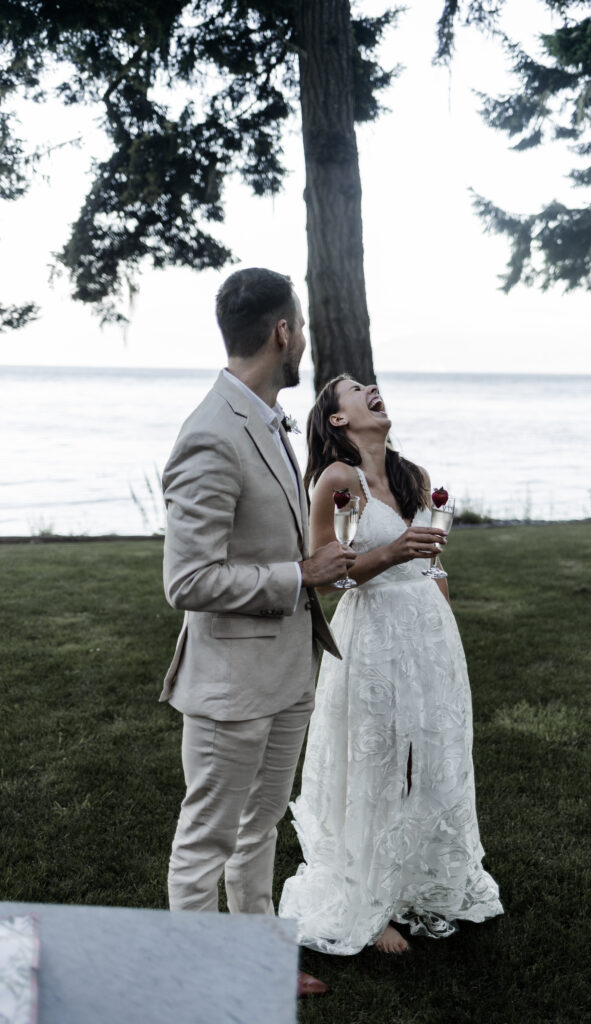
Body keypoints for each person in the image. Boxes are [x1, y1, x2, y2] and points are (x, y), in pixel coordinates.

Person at [160, 268, 355, 997]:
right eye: (299, 326)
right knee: (206, 837)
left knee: (260, 826)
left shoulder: (266, 419)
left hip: (285, 673)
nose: (302, 338)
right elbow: (187, 582)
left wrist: (320, 568)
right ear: (282, 332)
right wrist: (300, 576)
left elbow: (273, 548)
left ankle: (256, 958)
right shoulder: (210, 432)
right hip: (230, 686)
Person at [279, 375, 503, 955]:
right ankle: (368, 901)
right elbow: (329, 576)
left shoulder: (414, 478)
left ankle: (413, 878)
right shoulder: (337, 479)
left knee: (426, 756)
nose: (372, 388)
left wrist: (444, 633)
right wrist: (391, 551)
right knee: (376, 758)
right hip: (372, 631)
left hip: (426, 632)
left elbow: (432, 566)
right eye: (355, 389)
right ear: (337, 420)